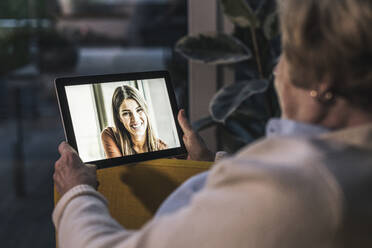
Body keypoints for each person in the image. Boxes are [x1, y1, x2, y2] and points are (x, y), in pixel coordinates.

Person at [53, 0, 372, 247]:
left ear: (323, 83)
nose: (276, 71)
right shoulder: (352, 158)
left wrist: (76, 191)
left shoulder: (296, 187)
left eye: (287, 55)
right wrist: (210, 164)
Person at [101, 85, 167, 158]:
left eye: (139, 110)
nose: (135, 119)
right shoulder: (110, 135)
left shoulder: (162, 148)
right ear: (119, 118)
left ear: (146, 111)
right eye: (126, 113)